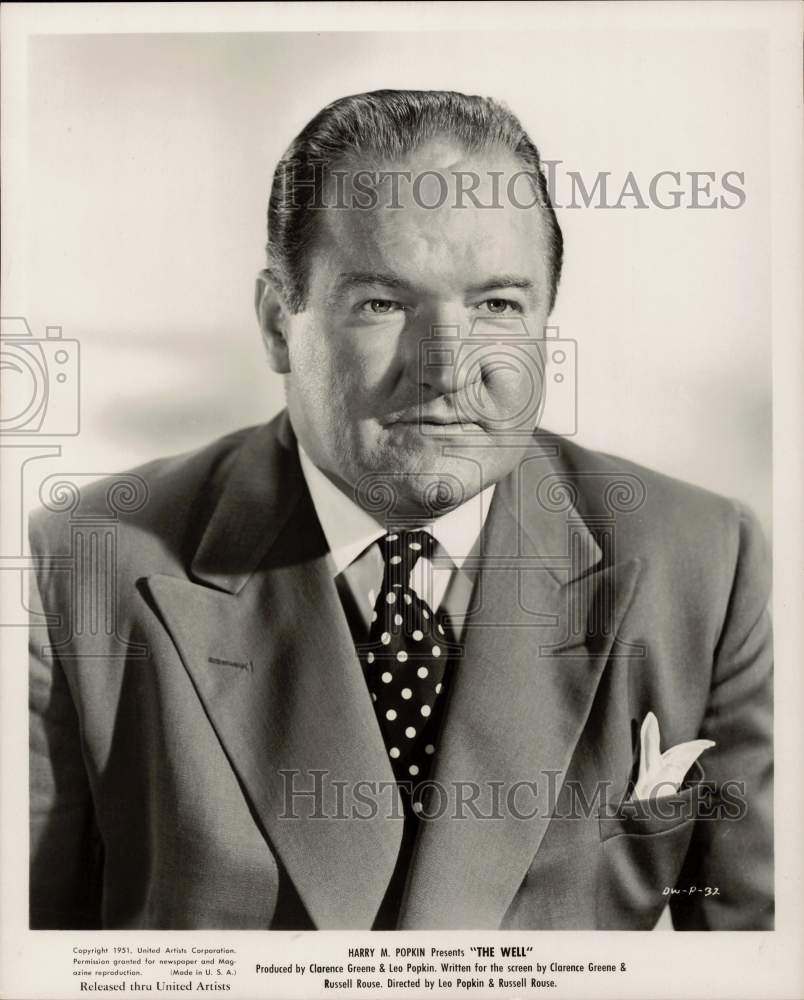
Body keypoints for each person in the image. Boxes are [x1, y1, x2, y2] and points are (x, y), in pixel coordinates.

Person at [28, 89, 772, 931]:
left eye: (497, 304)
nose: (448, 364)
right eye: (383, 303)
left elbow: (759, 960)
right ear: (279, 323)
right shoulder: (79, 569)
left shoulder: (708, 565)